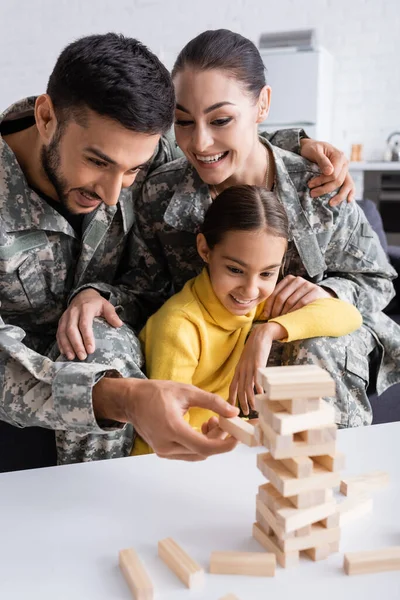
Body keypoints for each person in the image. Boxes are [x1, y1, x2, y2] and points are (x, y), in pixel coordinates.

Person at [0, 32, 353, 471]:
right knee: (99, 348)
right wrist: (119, 397)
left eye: (133, 170)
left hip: (104, 326)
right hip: (31, 364)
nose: (113, 194)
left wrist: (297, 148)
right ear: (46, 117)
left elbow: (214, 141)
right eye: (98, 162)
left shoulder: (135, 142)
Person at [59, 29, 400, 431]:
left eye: (221, 120)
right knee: (94, 338)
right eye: (183, 121)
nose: (200, 142)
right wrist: (96, 296)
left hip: (308, 340)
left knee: (319, 347)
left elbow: (378, 282)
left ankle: (317, 485)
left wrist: (324, 294)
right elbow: (145, 289)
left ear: (262, 105)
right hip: (208, 348)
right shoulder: (160, 191)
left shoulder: (320, 185)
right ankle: (117, 484)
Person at [133, 185, 362, 455]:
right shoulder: (179, 326)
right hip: (174, 458)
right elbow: (167, 433)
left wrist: (266, 333)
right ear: (205, 249)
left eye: (267, 273)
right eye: (235, 269)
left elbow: (349, 316)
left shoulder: (259, 302)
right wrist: (229, 436)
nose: (250, 290)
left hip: (227, 448)